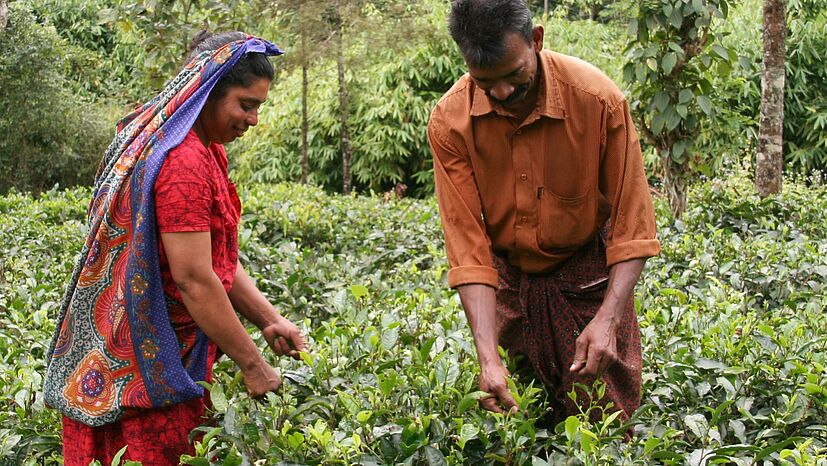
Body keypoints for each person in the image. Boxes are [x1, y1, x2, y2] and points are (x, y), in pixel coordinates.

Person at [43, 31, 307, 465]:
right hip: (146, 372)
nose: (254, 119)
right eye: (246, 104)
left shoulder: (205, 150)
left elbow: (214, 262)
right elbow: (194, 281)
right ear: (207, 93)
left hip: (160, 351)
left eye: (259, 106)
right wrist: (254, 365)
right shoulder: (183, 163)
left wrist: (269, 320)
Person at [427, 0, 660, 425]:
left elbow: (632, 223)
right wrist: (487, 357)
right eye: (484, 81)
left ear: (536, 41)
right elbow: (468, 248)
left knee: (603, 426)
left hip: (587, 278)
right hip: (511, 284)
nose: (501, 92)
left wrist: (608, 319)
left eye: (514, 75)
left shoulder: (598, 100)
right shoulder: (450, 121)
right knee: (522, 420)